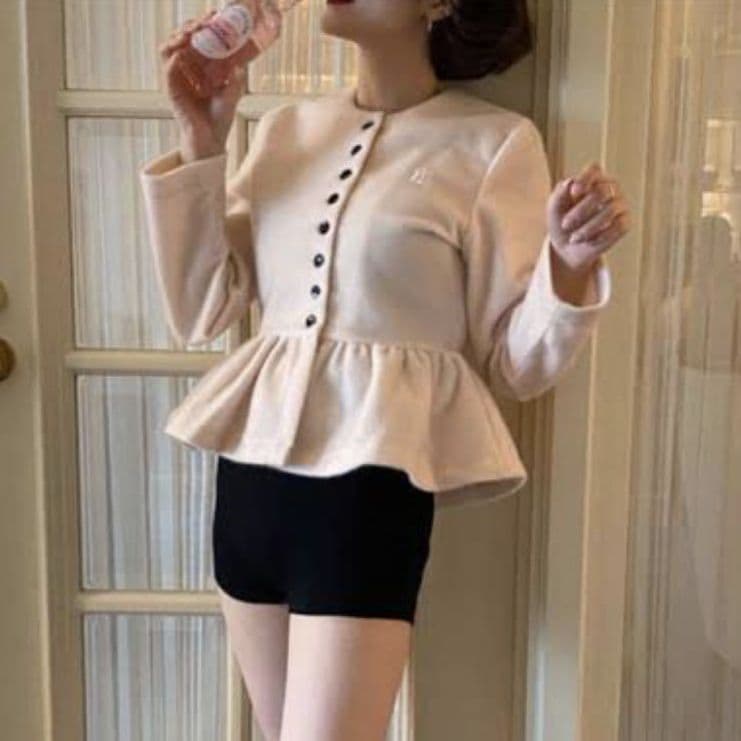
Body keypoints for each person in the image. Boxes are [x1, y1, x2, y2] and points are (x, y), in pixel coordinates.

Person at [140, 1, 630, 739]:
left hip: (364, 495)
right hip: (248, 485)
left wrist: (566, 267)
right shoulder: (286, 130)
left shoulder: (494, 143)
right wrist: (202, 137)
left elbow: (515, 364)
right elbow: (204, 307)